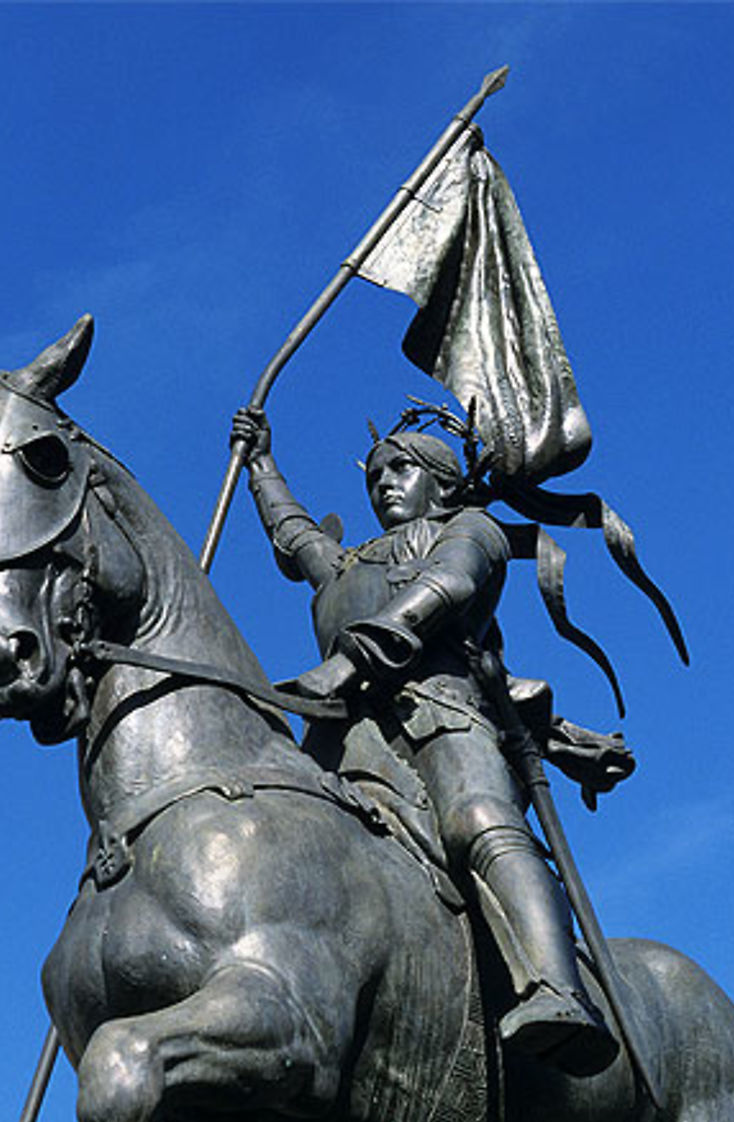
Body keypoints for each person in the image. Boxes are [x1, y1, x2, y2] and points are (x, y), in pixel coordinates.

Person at [232, 406, 618, 1076]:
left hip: (441, 714)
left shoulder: (471, 528)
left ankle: (558, 988)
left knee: (479, 821)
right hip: (340, 737)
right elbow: (295, 535)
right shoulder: (347, 562)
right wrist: (260, 462)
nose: (383, 483)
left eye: (401, 468)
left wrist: (352, 659)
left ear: (441, 481)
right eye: (374, 475)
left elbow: (451, 585)